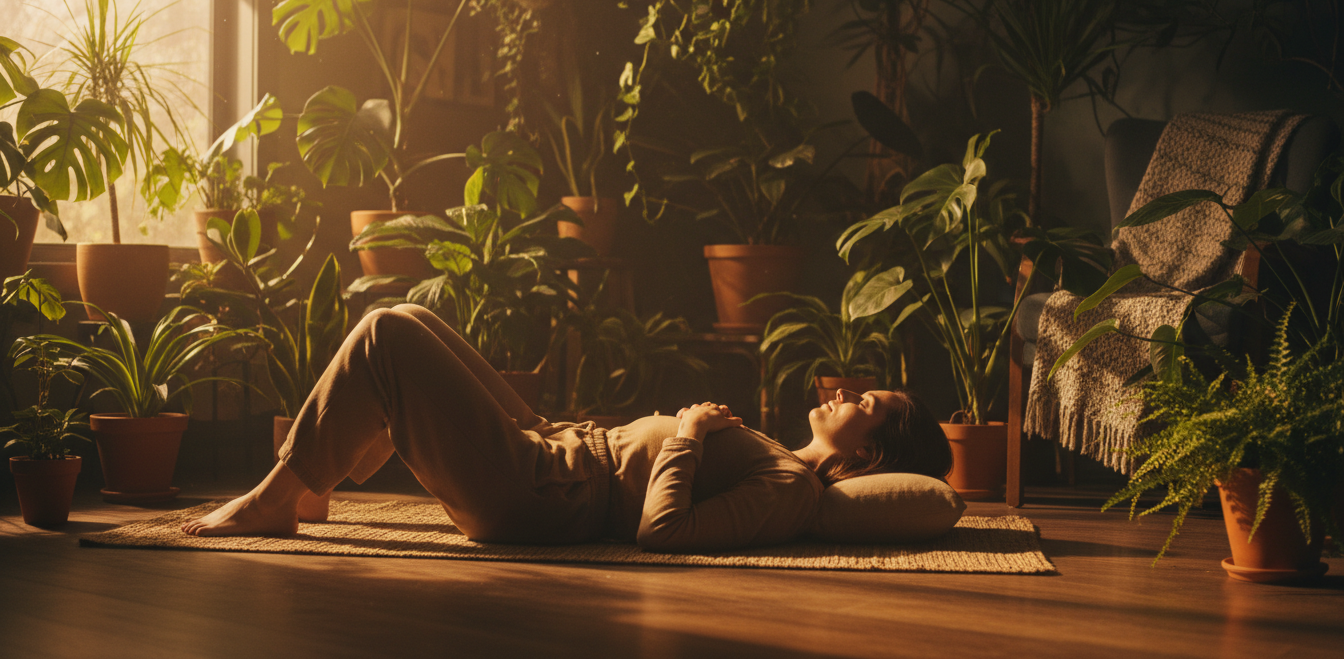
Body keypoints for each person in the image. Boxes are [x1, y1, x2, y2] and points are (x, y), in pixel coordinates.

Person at [182, 305, 953, 551]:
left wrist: (685, 433)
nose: (847, 393)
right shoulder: (782, 460)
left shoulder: (789, 486)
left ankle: (278, 496)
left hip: (541, 490)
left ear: (871, 450)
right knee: (414, 314)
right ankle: (313, 478)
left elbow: (663, 535)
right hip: (560, 448)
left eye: (867, 404)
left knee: (386, 333)